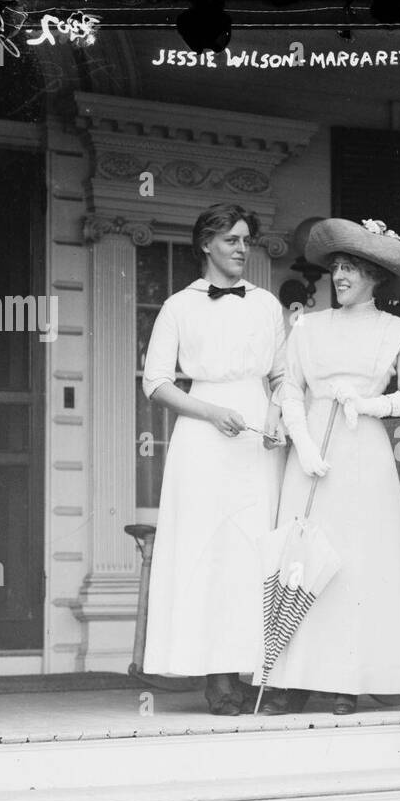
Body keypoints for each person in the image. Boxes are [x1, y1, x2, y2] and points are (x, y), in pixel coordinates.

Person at [260, 218, 400, 715]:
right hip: (312, 451)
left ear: (376, 275)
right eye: (337, 268)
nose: (341, 277)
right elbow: (289, 384)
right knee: (301, 556)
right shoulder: (307, 326)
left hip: (365, 450)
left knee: (357, 561)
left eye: (352, 268)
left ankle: (348, 680)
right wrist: (303, 444)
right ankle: (293, 679)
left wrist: (374, 405)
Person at [140, 203, 287, 715]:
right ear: (206, 244)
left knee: (253, 550)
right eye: (231, 240)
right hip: (203, 438)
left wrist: (276, 415)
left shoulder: (267, 304)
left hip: (256, 440)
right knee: (210, 549)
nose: (241, 249)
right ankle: (217, 679)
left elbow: (283, 374)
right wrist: (209, 411)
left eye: (246, 240)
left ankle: (253, 671)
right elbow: (155, 382)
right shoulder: (179, 306)